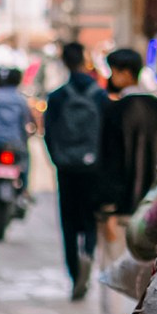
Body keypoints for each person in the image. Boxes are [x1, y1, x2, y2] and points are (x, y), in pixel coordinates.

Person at [94, 47, 157, 314]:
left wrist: (107, 208)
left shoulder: (114, 111)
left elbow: (109, 164)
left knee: (112, 271)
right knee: (150, 276)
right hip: (156, 210)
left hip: (120, 210)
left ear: (123, 72)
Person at [43, 42, 109, 300]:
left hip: (67, 168)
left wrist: (58, 160)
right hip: (93, 167)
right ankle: (88, 255)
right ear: (84, 59)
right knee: (91, 218)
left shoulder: (57, 96)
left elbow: (48, 134)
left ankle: (74, 275)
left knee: (69, 223)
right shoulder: (99, 96)